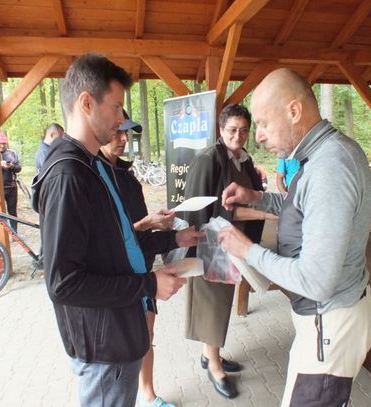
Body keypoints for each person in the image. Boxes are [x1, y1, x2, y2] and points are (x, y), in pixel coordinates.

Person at [31, 54, 190, 407]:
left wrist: (172, 241)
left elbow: (118, 242)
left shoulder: (93, 166)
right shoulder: (68, 175)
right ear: (86, 103)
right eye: (116, 107)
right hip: (104, 348)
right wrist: (148, 284)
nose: (121, 119)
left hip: (119, 329)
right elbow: (62, 283)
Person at [218, 68, 371, 407]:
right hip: (328, 323)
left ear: (293, 111)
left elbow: (316, 281)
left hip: (330, 325)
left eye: (263, 123)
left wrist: (248, 250)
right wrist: (257, 197)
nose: (258, 136)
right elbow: (303, 206)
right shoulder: (323, 153)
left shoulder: (329, 167)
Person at [100, 110, 203, 407]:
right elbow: (104, 242)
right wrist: (144, 224)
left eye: (126, 133)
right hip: (113, 281)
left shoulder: (129, 179)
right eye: (117, 131)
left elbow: (140, 239)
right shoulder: (91, 178)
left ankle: (148, 395)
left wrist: (176, 238)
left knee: (146, 335)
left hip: (142, 275)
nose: (123, 139)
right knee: (119, 347)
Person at [182, 104, 265, 400]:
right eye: (232, 130)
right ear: (220, 129)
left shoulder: (244, 159)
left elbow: (254, 197)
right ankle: (213, 366)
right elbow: (197, 207)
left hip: (235, 244)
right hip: (211, 245)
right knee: (212, 303)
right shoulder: (208, 159)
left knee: (222, 301)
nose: (238, 135)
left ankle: (211, 354)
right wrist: (195, 249)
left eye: (243, 130)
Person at [0, 131, 21, 232]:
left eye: (4, 143)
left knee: (12, 212)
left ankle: (14, 233)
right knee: (0, 213)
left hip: (11, 187)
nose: (2, 145)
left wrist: (11, 166)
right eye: (0, 143)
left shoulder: (12, 154)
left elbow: (18, 168)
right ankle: (3, 234)